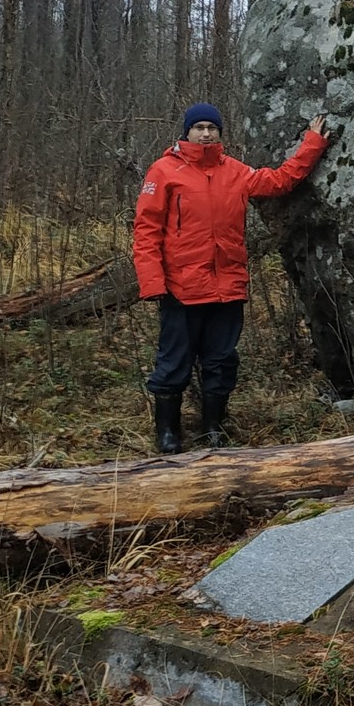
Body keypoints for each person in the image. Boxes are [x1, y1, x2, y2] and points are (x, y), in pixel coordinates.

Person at [133, 102, 329, 454]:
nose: (206, 133)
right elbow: (146, 231)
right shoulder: (163, 171)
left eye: (212, 128)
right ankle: (168, 433)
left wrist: (312, 143)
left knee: (221, 362)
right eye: (199, 127)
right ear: (187, 132)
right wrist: (153, 283)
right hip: (181, 289)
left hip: (227, 288)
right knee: (173, 362)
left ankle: (213, 429)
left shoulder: (235, 171)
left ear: (220, 133)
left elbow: (280, 180)